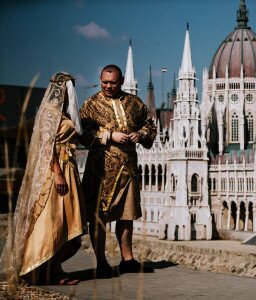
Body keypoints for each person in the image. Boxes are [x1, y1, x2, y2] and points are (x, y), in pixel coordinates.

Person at [0, 72, 87, 288]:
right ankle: (48, 270)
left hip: (69, 168)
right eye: (71, 88)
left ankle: (54, 269)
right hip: (56, 172)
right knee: (53, 220)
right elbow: (46, 146)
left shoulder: (63, 113)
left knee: (67, 223)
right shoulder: (49, 112)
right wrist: (57, 173)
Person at [79, 65, 156, 277]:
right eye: (104, 82)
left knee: (126, 215)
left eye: (112, 82)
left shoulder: (134, 103)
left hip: (128, 168)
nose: (108, 86)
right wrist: (109, 136)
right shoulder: (91, 104)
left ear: (120, 81)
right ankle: (102, 263)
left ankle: (127, 260)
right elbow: (83, 134)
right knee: (98, 217)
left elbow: (150, 126)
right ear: (100, 80)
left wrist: (139, 134)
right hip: (101, 171)